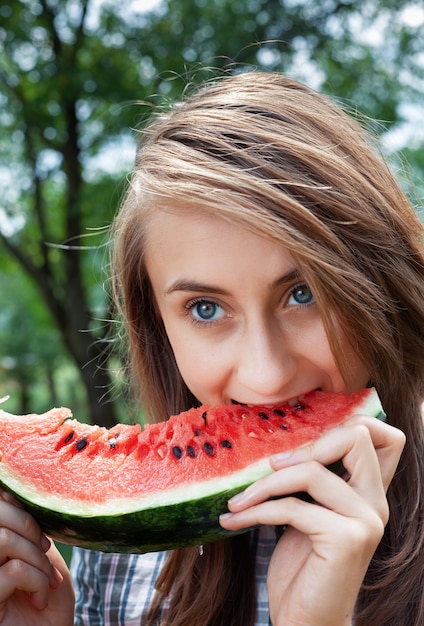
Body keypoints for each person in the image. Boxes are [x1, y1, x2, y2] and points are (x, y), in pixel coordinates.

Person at [0, 70, 423, 626]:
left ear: (377, 283)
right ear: (159, 329)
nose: (267, 374)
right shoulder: (123, 564)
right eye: (205, 308)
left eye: (304, 294)